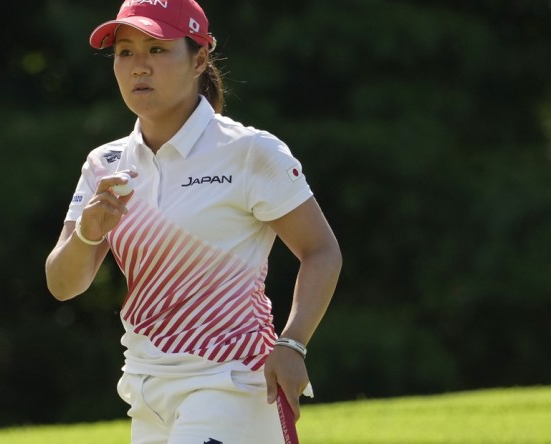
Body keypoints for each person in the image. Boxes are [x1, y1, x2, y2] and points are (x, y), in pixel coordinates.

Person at [45, 0, 342, 442]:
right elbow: (63, 284)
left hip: (232, 381)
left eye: (158, 50)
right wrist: (89, 233)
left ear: (200, 59)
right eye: (125, 53)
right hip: (146, 390)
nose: (139, 67)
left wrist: (293, 342)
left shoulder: (249, 152)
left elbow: (321, 251)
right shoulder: (104, 164)